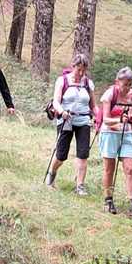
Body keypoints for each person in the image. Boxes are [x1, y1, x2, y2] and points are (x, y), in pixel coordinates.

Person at [98, 66, 132, 216]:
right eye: (125, 84)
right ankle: (108, 200)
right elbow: (106, 119)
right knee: (109, 168)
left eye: (130, 84)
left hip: (127, 134)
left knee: (130, 168)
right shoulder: (110, 94)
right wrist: (119, 119)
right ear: (117, 82)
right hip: (109, 134)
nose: (127, 88)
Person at [45, 57, 95, 194]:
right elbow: (56, 101)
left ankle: (80, 186)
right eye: (79, 70)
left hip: (83, 121)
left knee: (83, 154)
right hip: (66, 120)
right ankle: (52, 173)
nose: (81, 73)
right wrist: (62, 111)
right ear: (73, 66)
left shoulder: (88, 83)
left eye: (84, 70)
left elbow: (93, 105)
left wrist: (98, 117)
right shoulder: (62, 80)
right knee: (61, 155)